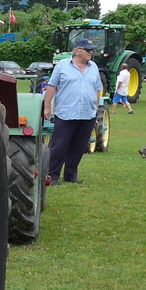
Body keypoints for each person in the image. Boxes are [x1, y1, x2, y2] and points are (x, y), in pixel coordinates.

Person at [42, 38, 102, 184]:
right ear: (77, 51)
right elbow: (51, 86)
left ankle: (71, 175)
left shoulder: (93, 66)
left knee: (79, 146)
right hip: (66, 113)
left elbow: (98, 88)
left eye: (92, 50)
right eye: (87, 50)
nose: (90, 53)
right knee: (59, 146)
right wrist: (47, 106)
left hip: (87, 114)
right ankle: (53, 175)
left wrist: (96, 105)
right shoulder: (62, 66)